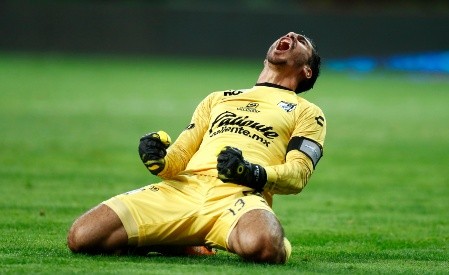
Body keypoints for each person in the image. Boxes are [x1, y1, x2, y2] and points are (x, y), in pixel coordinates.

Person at [67, 31, 326, 264]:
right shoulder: (218, 98)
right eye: (289, 35)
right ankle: (186, 243)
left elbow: (298, 174)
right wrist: (159, 159)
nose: (291, 35)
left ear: (307, 71)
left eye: (302, 41)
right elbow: (178, 159)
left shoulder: (308, 113)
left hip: (238, 196)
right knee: (82, 237)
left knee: (265, 248)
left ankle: (175, 239)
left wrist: (250, 173)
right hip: (182, 189)